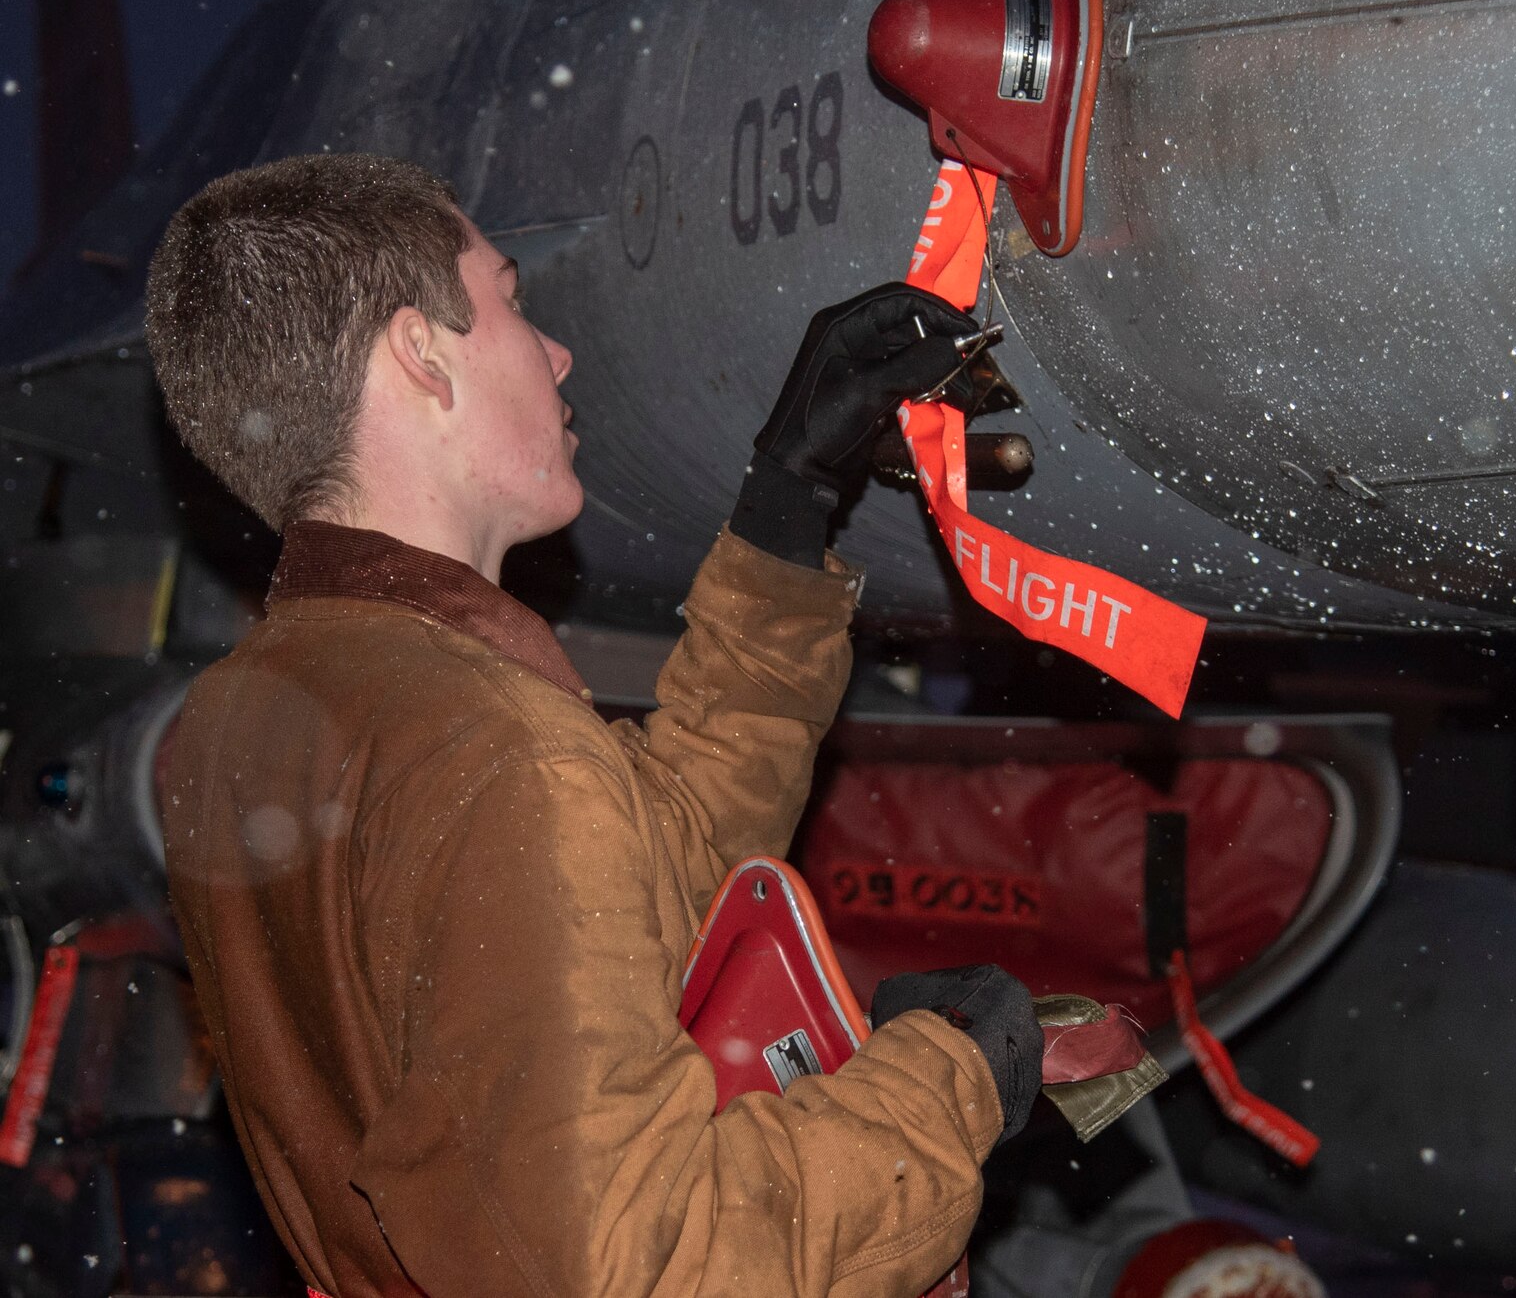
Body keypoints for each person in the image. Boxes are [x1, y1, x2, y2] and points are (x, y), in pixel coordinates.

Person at [144, 153, 1043, 1298]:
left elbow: (648, 868)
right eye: (513, 302)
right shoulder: (491, 745)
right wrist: (950, 1076)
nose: (555, 351)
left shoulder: (264, 709)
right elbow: (641, 1266)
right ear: (421, 355)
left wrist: (787, 500)